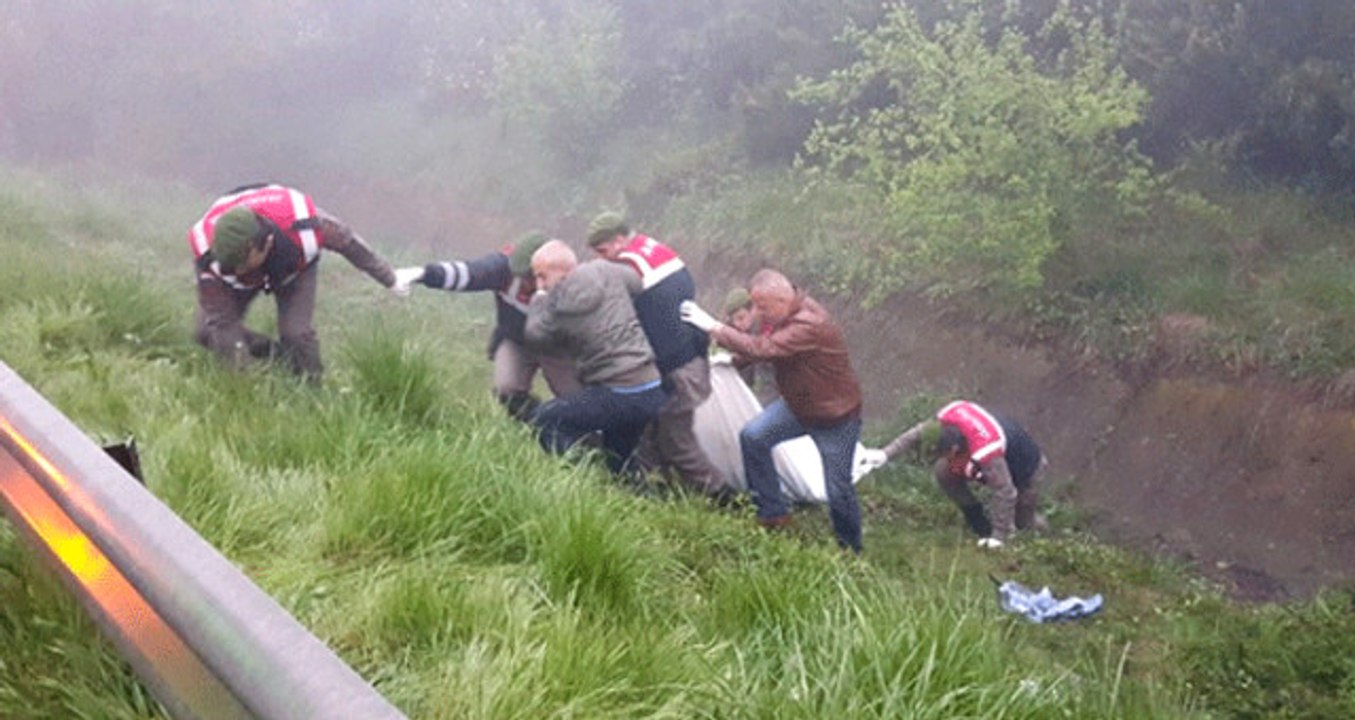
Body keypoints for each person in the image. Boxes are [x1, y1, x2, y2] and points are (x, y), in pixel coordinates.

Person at [681, 269, 865, 552]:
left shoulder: (809, 324)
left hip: (834, 417)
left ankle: (850, 549)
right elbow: (769, 350)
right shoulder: (785, 314)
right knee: (754, 437)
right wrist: (732, 361)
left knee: (837, 489)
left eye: (763, 307)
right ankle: (772, 513)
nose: (760, 314)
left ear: (781, 299)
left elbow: (765, 349)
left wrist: (715, 328)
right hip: (799, 406)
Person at [188, 182, 404, 380]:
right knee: (206, 332)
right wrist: (243, 382)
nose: (234, 270)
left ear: (265, 244)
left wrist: (390, 278)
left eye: (240, 263)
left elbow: (350, 245)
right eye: (228, 264)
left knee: (296, 334)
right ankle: (276, 355)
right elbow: (223, 322)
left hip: (294, 268)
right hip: (237, 280)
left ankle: (312, 392)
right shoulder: (209, 254)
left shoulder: (306, 225)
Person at [587, 212, 726, 496]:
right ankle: (650, 486)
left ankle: (720, 494)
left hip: (677, 368)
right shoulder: (652, 248)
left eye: (603, 252)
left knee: (675, 439)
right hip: (688, 356)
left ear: (617, 240)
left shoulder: (630, 265)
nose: (604, 259)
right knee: (645, 427)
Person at [391, 233, 579, 419]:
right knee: (506, 389)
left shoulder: (572, 282)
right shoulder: (502, 269)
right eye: (524, 277)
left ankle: (587, 441)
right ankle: (542, 426)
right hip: (516, 340)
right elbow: (467, 273)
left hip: (557, 347)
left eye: (537, 276)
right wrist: (422, 274)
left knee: (577, 399)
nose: (529, 283)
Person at [524, 240, 666, 475]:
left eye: (542, 276)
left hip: (619, 391)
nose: (541, 283)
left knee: (545, 420)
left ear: (558, 271)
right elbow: (636, 283)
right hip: (650, 387)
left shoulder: (556, 302)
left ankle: (581, 479)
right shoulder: (605, 269)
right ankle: (630, 494)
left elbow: (535, 335)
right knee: (618, 459)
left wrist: (538, 297)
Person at [856, 400, 1047, 548]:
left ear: (954, 449)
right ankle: (977, 519)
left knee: (1022, 521)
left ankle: (1043, 537)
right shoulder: (948, 416)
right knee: (943, 471)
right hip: (990, 456)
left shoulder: (986, 449)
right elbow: (914, 435)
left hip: (1025, 469)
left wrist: (998, 538)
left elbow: (1006, 491)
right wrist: (885, 454)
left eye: (941, 453)